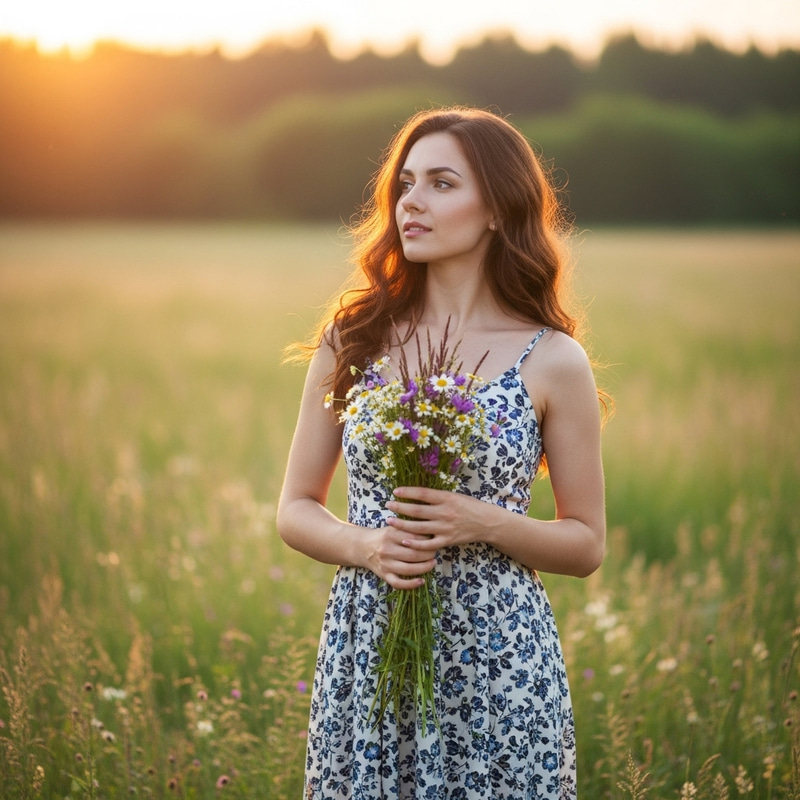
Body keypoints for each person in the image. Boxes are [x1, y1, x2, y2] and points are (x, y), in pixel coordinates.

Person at [277, 106, 606, 799]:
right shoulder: (354, 339)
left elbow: (585, 544)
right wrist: (366, 547)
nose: (412, 202)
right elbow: (295, 509)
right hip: (367, 646)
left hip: (500, 661)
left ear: (497, 209)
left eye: (442, 183)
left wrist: (483, 522)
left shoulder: (552, 360)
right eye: (405, 183)